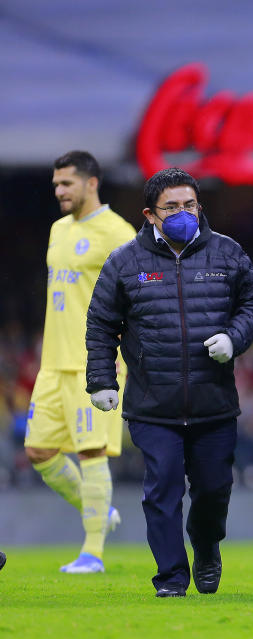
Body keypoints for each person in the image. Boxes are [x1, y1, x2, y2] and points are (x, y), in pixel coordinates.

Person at [86, 168, 253, 597]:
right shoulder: (125, 262)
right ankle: (170, 578)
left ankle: (205, 546)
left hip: (214, 401)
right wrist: (100, 380)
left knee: (213, 489)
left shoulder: (226, 254)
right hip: (153, 404)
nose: (183, 213)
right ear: (151, 214)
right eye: (172, 207)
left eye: (190, 204)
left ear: (199, 207)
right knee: (162, 489)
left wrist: (236, 337)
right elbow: (100, 324)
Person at [24, 151, 135, 574]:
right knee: (39, 451)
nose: (58, 191)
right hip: (53, 361)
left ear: (91, 183)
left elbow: (134, 295)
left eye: (66, 183)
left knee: (91, 453)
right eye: (55, 184)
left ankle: (92, 553)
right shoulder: (58, 229)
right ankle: (99, 509)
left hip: (95, 361)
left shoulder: (117, 232)